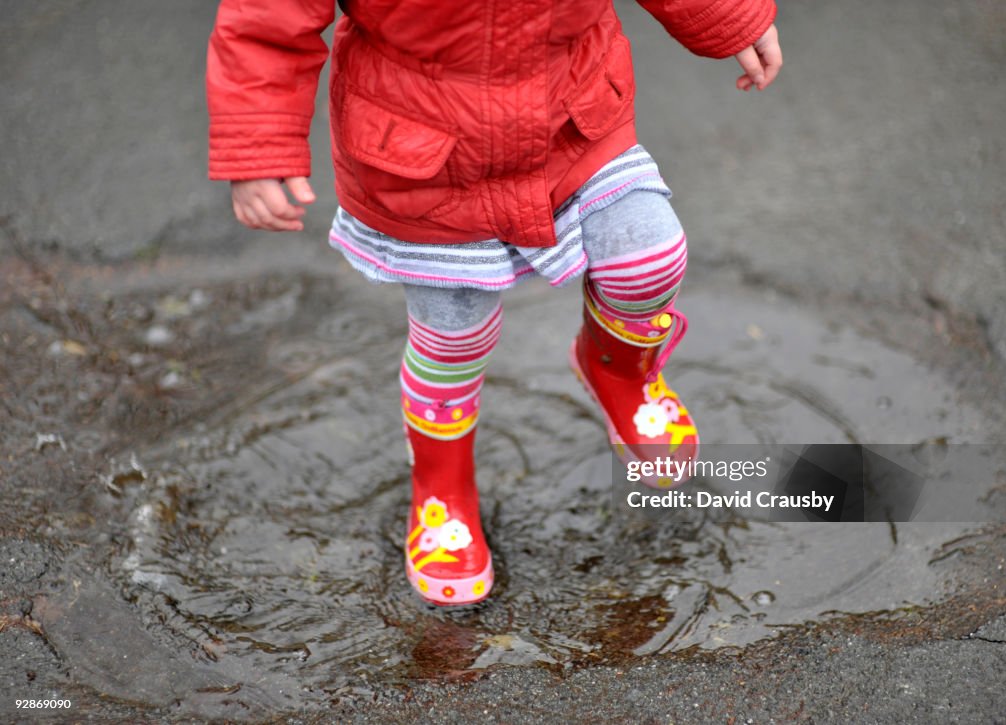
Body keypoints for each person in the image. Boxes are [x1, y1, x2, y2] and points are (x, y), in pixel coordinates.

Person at [207, 0, 782, 606]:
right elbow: (265, 21)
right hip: (427, 165)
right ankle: (442, 488)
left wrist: (729, 16)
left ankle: (619, 371)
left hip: (571, 122)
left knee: (649, 257)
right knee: (452, 336)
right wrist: (258, 144)